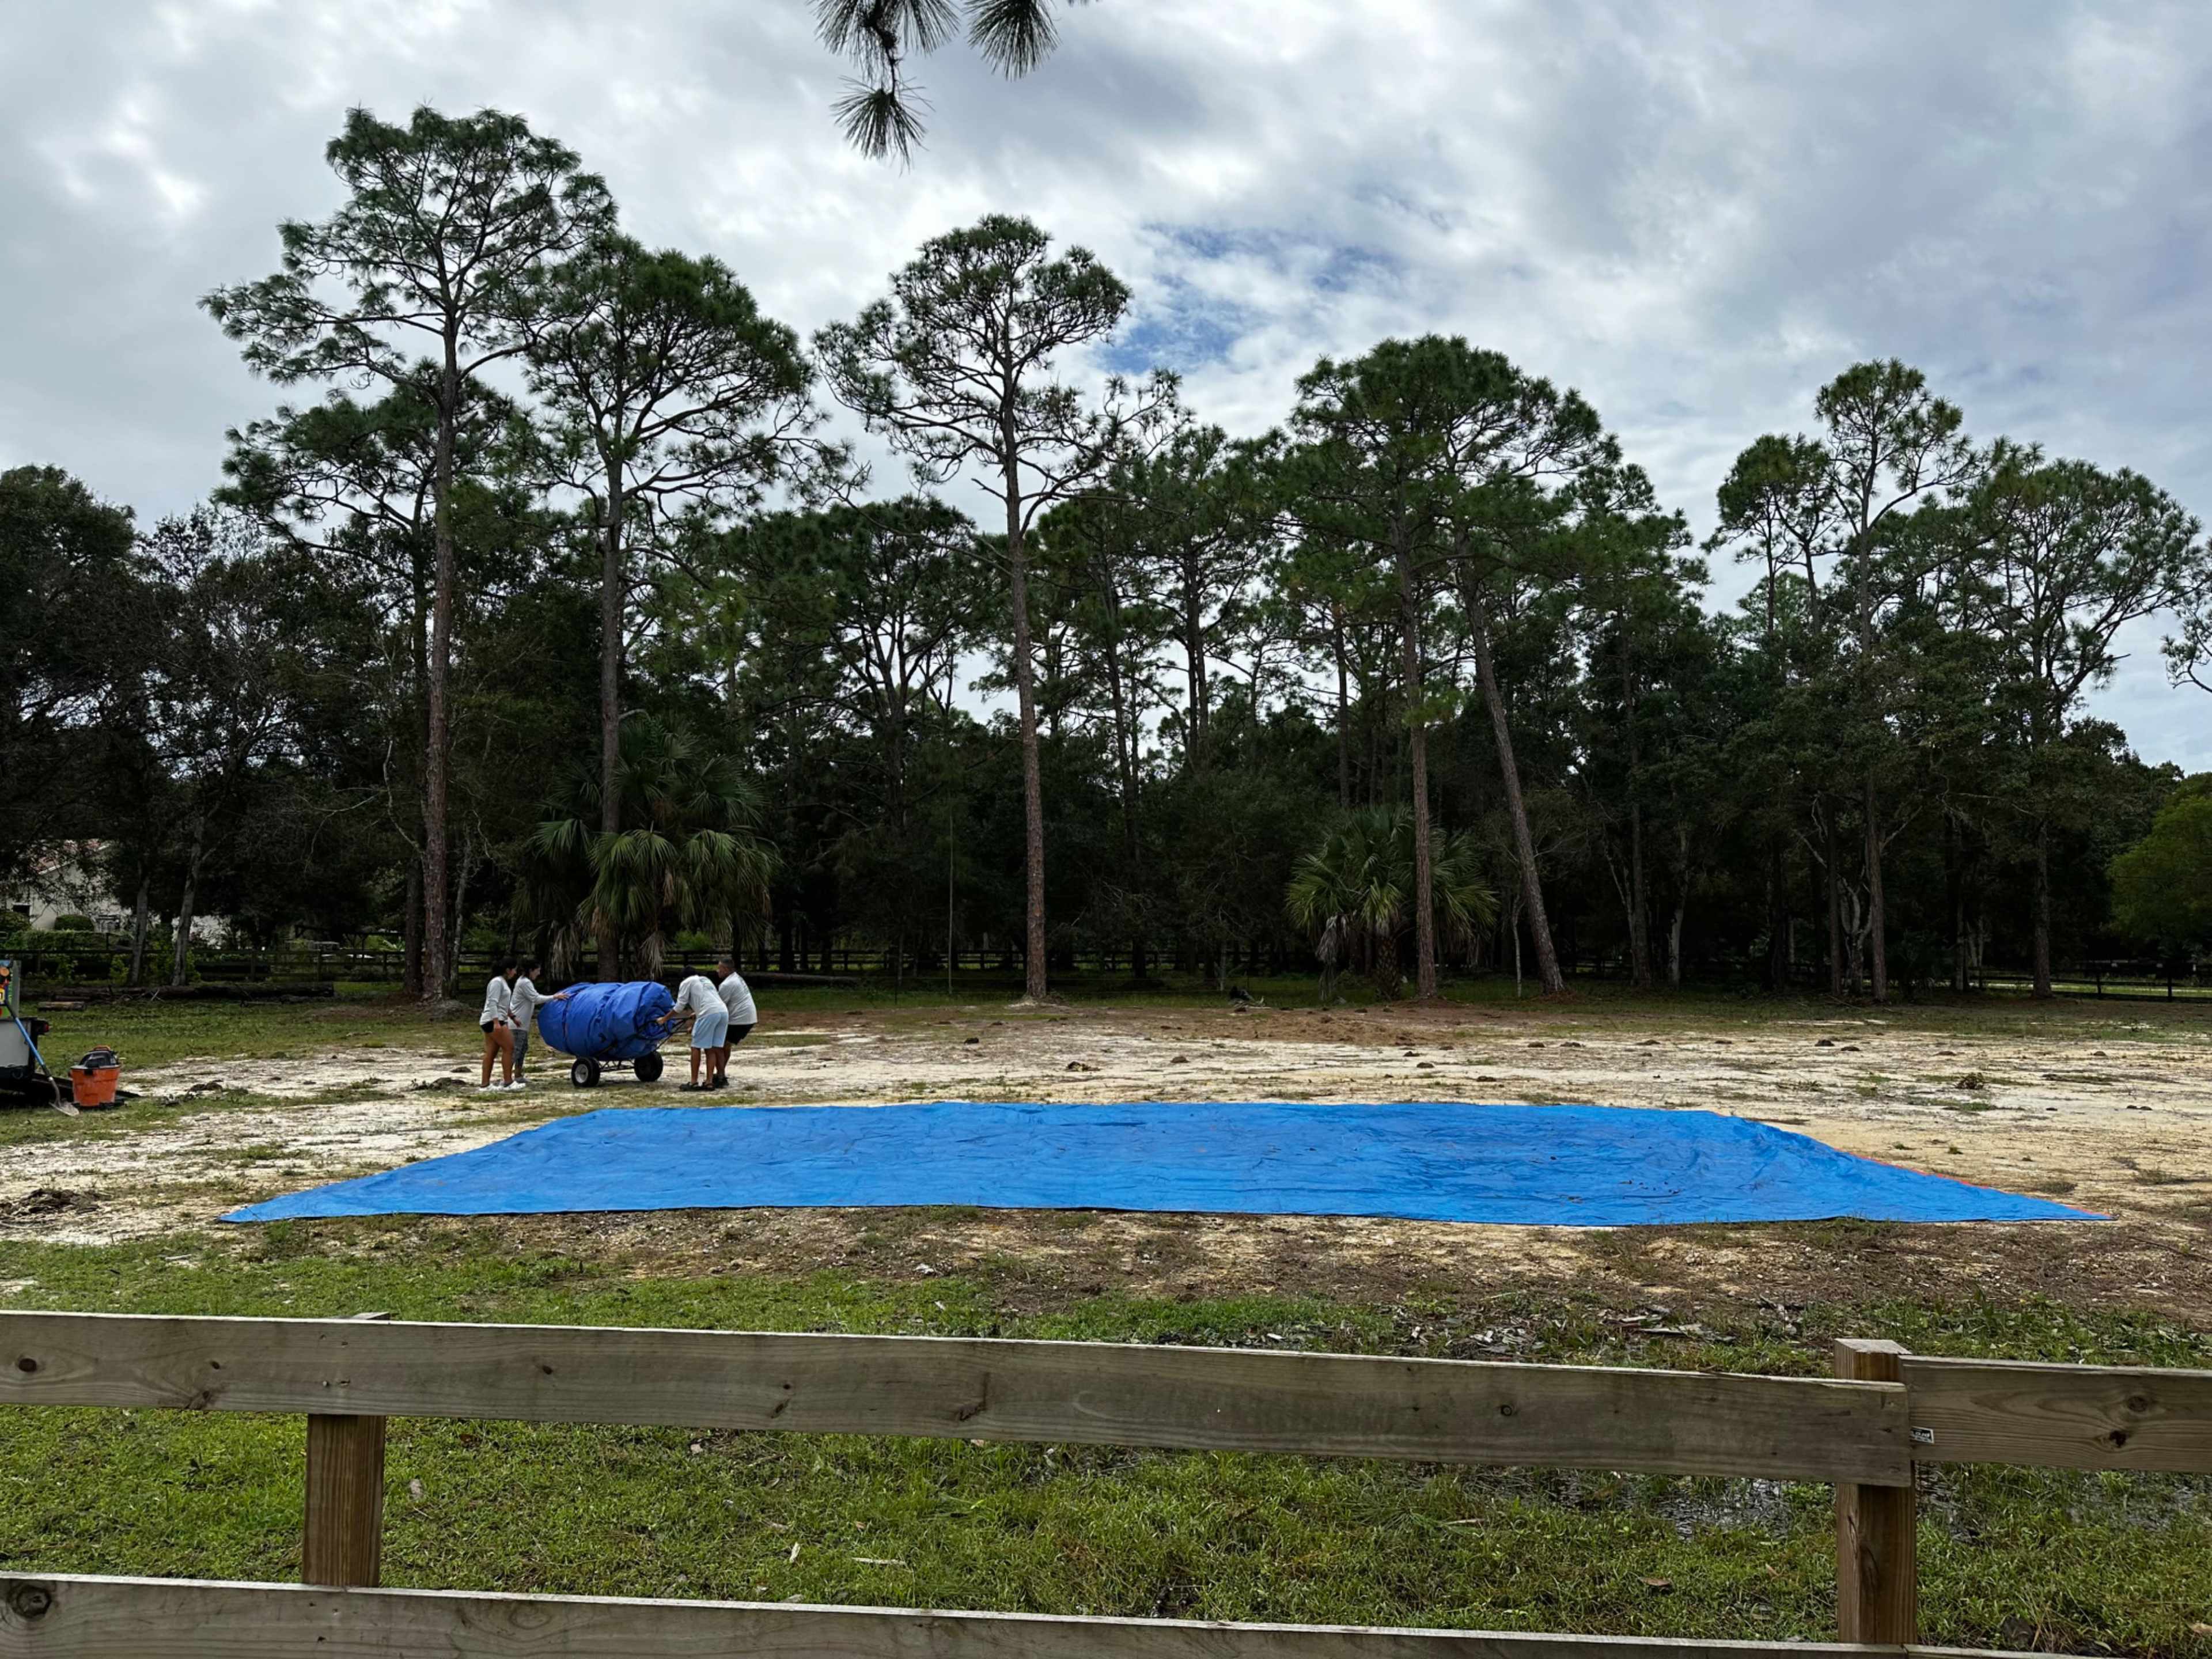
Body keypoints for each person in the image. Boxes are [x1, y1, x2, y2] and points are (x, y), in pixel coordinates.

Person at [505, 959, 573, 1089]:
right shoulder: (524, 983)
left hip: (522, 1024)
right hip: (517, 1023)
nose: (539, 973)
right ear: (531, 970)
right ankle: (507, 1079)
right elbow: (536, 999)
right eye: (538, 970)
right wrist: (554, 997)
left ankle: (518, 1076)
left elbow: (534, 999)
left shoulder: (525, 982)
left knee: (522, 1049)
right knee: (516, 1050)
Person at [668, 967, 727, 1092]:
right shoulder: (705, 980)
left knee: (696, 1047)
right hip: (723, 1012)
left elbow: (679, 1007)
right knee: (711, 1048)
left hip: (708, 1014)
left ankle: (694, 1082)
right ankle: (709, 1082)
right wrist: (697, 1014)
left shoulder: (686, 982)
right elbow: (709, 1000)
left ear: (684, 977)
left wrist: (664, 1019)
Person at [710, 954, 757, 1089]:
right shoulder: (737, 978)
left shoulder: (726, 984)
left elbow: (719, 1006)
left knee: (718, 1045)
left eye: (719, 969)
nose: (717, 971)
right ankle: (720, 1073)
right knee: (726, 1045)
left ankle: (720, 1076)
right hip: (748, 1018)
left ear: (725, 969)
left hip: (739, 1020)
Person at [478, 959, 520, 1092]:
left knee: (491, 1052)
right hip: (493, 1020)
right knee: (510, 1047)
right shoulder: (497, 982)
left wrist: (512, 1016)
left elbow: (504, 1004)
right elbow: (492, 1003)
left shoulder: (503, 982)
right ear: (508, 970)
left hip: (494, 1019)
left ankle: (485, 1085)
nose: (515, 972)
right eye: (514, 969)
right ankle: (508, 1082)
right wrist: (496, 1022)